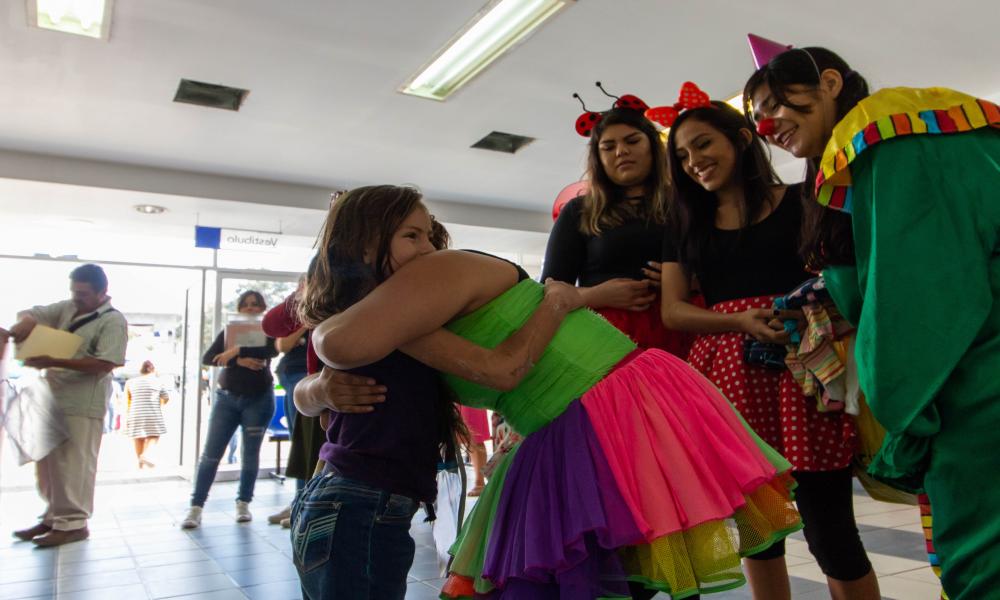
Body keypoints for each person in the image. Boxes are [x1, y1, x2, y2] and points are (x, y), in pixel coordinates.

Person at [294, 185, 801, 599]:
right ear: (365, 242)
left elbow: (346, 344)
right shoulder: (399, 316)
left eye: (429, 235)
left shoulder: (431, 276)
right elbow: (337, 352)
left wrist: (566, 301)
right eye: (412, 235)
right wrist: (317, 387)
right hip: (579, 417)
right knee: (605, 574)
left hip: (601, 410)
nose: (428, 249)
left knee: (604, 573)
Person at [744, 44, 1000, 600]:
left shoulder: (887, 139)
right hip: (969, 374)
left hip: (974, 387)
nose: (766, 126)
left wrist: (903, 414)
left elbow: (919, 296)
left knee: (980, 563)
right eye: (757, 117)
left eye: (773, 105)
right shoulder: (883, 148)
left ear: (830, 82)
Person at [658, 94, 877, 600]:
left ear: (739, 138)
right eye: (684, 157)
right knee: (758, 535)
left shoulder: (805, 199)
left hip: (805, 370)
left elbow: (846, 280)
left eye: (703, 144)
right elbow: (673, 311)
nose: (695, 162)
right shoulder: (683, 225)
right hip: (728, 380)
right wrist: (737, 320)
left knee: (831, 531)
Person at [542, 100, 695, 357]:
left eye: (632, 141)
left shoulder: (687, 203)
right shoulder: (579, 211)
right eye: (608, 147)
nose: (621, 151)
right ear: (599, 158)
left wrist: (687, 283)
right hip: (604, 342)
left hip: (685, 332)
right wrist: (596, 295)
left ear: (652, 146)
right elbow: (548, 290)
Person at [2, 263, 128, 547]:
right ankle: (53, 517)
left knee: (73, 465)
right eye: (73, 291)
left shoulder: (112, 321)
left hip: (83, 402)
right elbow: (35, 313)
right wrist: (26, 322)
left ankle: (73, 523)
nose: (76, 297)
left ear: (101, 292)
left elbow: (106, 362)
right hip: (52, 397)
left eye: (83, 293)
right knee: (47, 464)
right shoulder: (68, 308)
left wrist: (53, 360)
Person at [181, 290, 277, 529]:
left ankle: (243, 502)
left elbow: (271, 351)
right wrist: (238, 359)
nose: (251, 308)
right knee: (211, 454)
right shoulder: (230, 332)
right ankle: (196, 506)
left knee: (250, 454)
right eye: (246, 305)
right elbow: (209, 357)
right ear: (240, 308)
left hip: (258, 398)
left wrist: (236, 351)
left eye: (256, 305)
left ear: (263, 308)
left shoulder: (268, 331)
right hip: (227, 398)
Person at [262, 272, 323, 529]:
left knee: (311, 443)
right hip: (297, 377)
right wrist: (306, 315)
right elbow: (281, 343)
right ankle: (300, 502)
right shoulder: (301, 309)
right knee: (303, 442)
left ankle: (305, 503)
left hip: (317, 376)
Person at [124, 359, 169, 469]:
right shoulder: (158, 381)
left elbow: (127, 400)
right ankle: (145, 455)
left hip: (134, 413)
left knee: (138, 438)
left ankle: (140, 465)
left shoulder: (130, 382)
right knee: (154, 435)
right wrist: (159, 404)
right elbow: (166, 398)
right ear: (152, 369)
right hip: (151, 413)